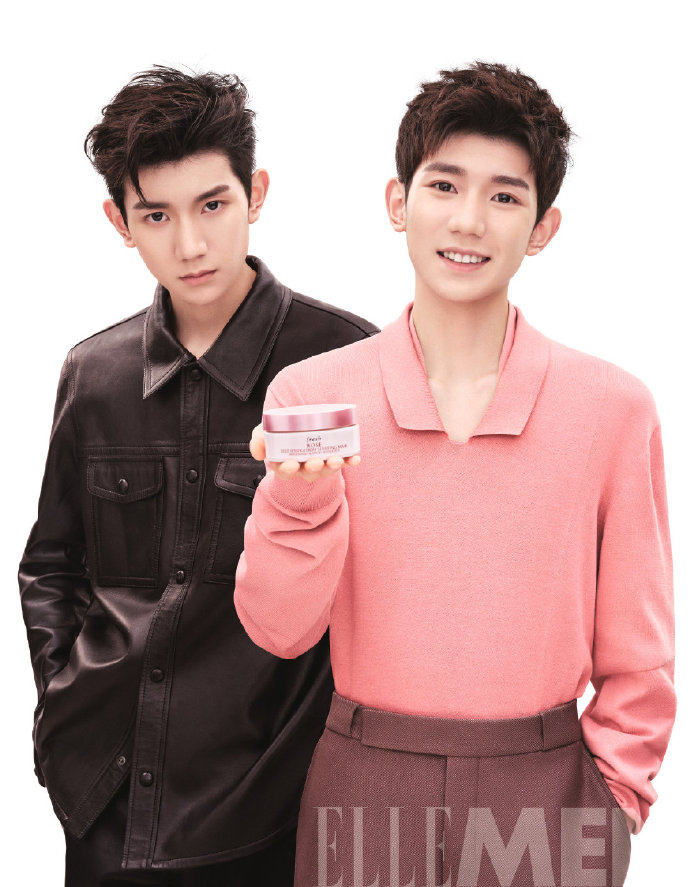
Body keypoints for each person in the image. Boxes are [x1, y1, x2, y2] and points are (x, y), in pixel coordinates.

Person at [233, 61, 676, 886]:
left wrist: (612, 806)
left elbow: (641, 658)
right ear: (398, 202)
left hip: (546, 789)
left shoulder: (614, 409)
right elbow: (278, 630)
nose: (469, 220)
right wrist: (300, 495)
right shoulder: (315, 396)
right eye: (444, 185)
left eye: (505, 196)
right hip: (364, 784)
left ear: (543, 227)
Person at [18, 64, 379, 885]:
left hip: (271, 811)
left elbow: (383, 581)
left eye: (213, 205)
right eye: (157, 214)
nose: (189, 244)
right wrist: (61, 706)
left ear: (256, 193)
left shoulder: (343, 361)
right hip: (106, 799)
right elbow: (52, 564)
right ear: (120, 221)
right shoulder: (94, 374)